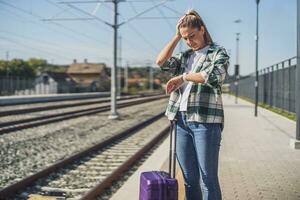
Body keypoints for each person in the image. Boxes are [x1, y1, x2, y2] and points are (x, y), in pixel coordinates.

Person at [156, 9, 229, 200]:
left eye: (192, 36)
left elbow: (213, 77)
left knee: (208, 179)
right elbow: (161, 61)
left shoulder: (217, 53)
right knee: (189, 178)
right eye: (185, 38)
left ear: (202, 30)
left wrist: (183, 77)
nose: (189, 41)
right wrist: (176, 36)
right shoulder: (185, 56)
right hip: (181, 121)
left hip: (205, 121)